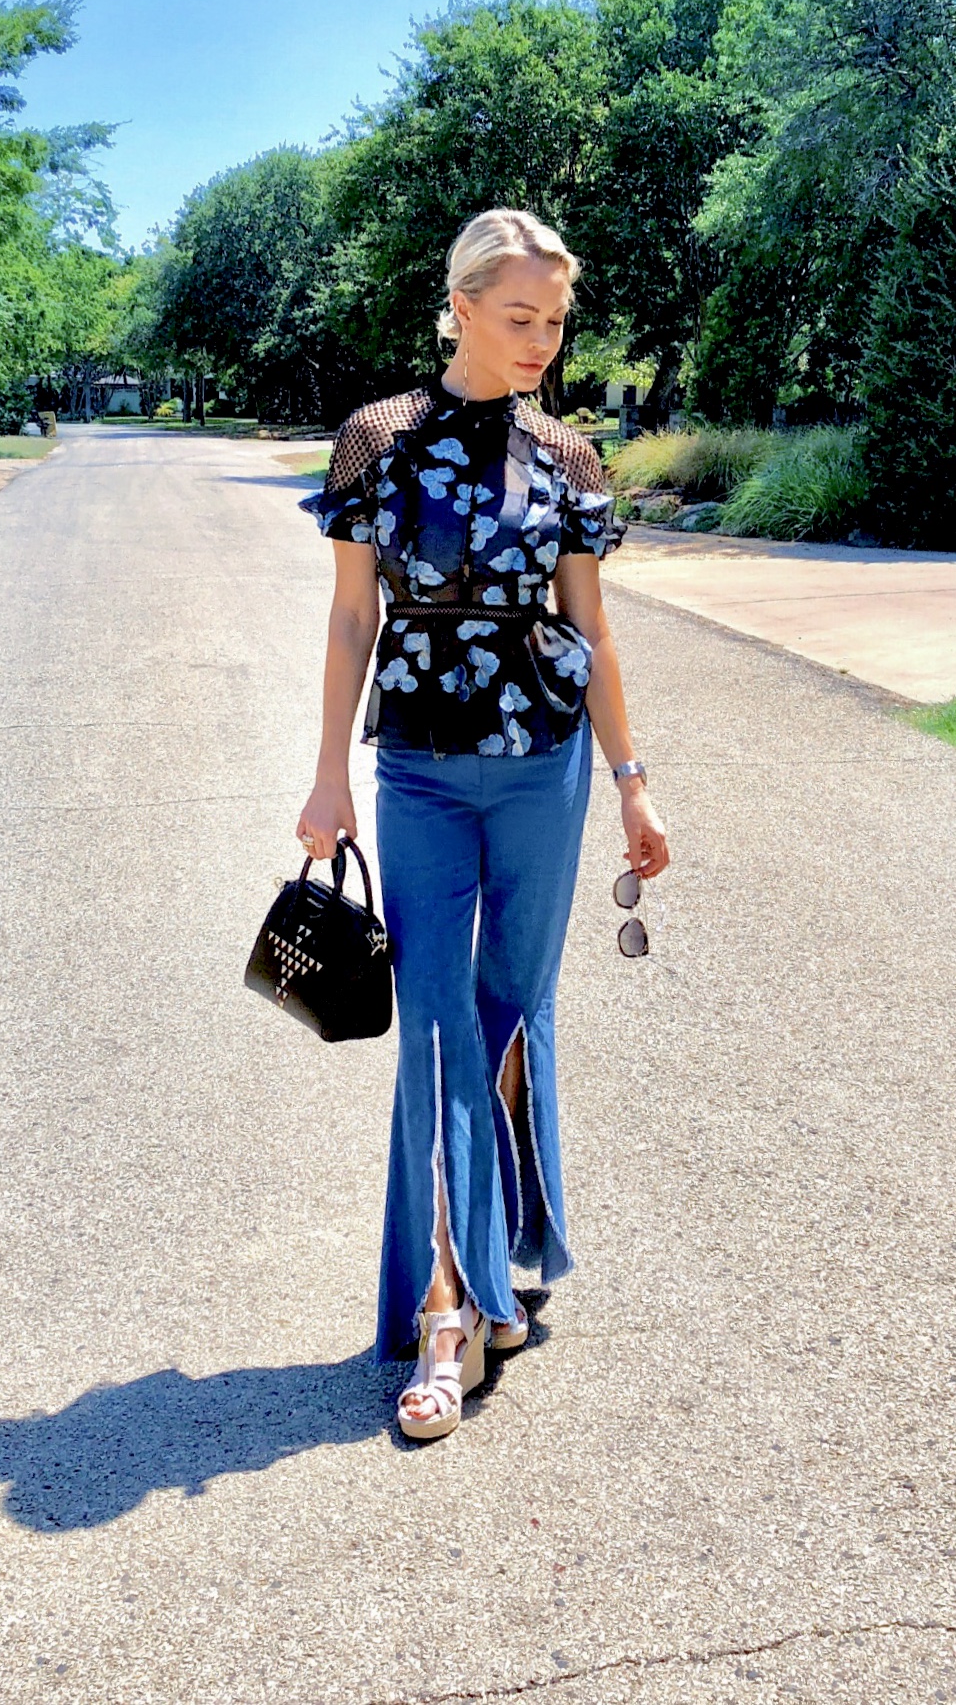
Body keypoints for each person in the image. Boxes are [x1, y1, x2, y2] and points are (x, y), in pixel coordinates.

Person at [296, 209, 670, 1441]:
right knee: (440, 1026)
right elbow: (354, 619)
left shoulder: (568, 457)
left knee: (514, 1009)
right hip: (419, 770)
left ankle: (503, 1253)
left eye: (556, 322)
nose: (543, 343)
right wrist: (325, 776)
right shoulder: (379, 441)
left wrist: (630, 778)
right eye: (520, 318)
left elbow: (592, 628)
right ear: (456, 305)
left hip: (545, 769)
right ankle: (442, 1306)